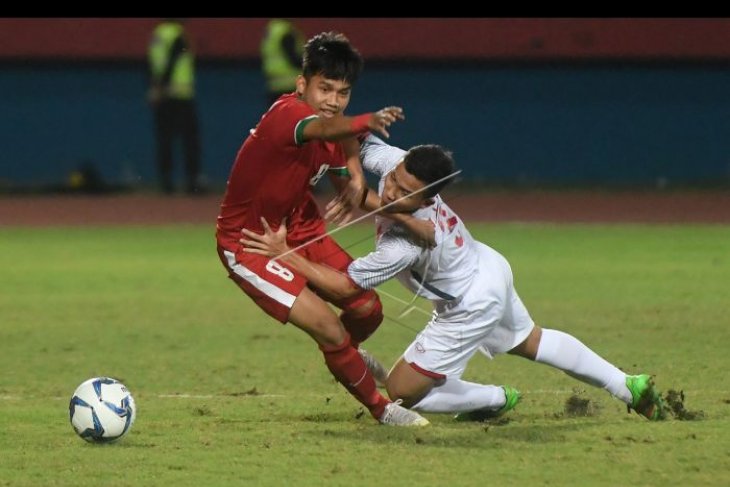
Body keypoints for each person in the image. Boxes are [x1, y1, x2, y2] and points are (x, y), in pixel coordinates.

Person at [240, 134, 668, 422]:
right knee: (530, 340)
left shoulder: (407, 243)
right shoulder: (395, 163)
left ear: (429, 199)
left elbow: (344, 287)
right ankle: (626, 385)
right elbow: (355, 136)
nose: (392, 191)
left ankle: (495, 398)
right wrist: (354, 168)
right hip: (487, 267)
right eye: (395, 181)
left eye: (407, 194)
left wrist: (284, 255)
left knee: (403, 390)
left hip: (469, 302)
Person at [216, 32, 429, 427]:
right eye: (324, 88)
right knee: (330, 328)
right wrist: (365, 122)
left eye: (343, 92)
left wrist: (399, 214)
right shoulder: (288, 116)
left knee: (368, 310)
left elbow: (352, 188)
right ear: (302, 85)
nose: (333, 100)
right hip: (251, 244)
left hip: (298, 228)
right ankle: (382, 409)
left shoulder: (331, 127)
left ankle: (346, 355)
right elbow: (328, 129)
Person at [148, 19, 203, 194]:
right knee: (190, 140)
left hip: (164, 96)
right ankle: (192, 181)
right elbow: (172, 62)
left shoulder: (157, 35)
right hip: (181, 95)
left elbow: (152, 64)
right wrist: (161, 85)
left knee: (165, 139)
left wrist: (155, 87)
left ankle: (166, 181)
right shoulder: (178, 35)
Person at [261, 19, 306, 107]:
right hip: (290, 85)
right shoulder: (286, 33)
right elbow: (294, 59)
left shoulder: (272, 29)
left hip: (274, 85)